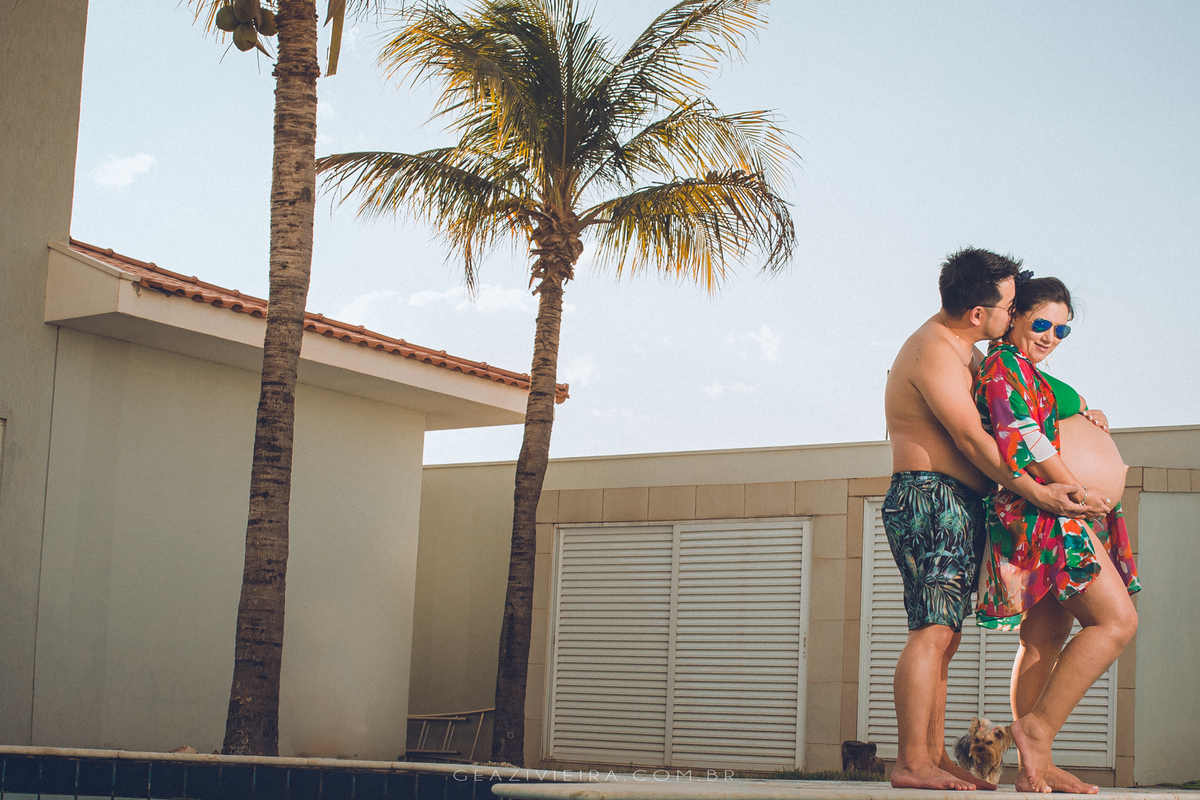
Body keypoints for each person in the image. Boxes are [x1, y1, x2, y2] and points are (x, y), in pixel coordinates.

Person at [883, 248, 1088, 791]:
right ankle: (910, 761)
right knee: (931, 632)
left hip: (958, 501)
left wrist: (1083, 408)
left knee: (945, 637)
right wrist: (1037, 492)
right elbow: (972, 439)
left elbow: (1027, 403)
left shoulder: (964, 350)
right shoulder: (934, 352)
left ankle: (930, 753)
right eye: (1011, 306)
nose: (1013, 315)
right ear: (980, 312)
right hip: (930, 497)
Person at [973, 275, 1140, 794]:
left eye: (1061, 331)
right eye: (1041, 323)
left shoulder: (1031, 372)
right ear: (1015, 315)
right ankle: (1036, 732)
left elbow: (1051, 422)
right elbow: (1022, 437)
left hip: (1061, 508)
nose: (1049, 336)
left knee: (1044, 639)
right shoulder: (1002, 365)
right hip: (1047, 510)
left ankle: (1034, 768)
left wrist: (1089, 415)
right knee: (1115, 623)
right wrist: (1076, 486)